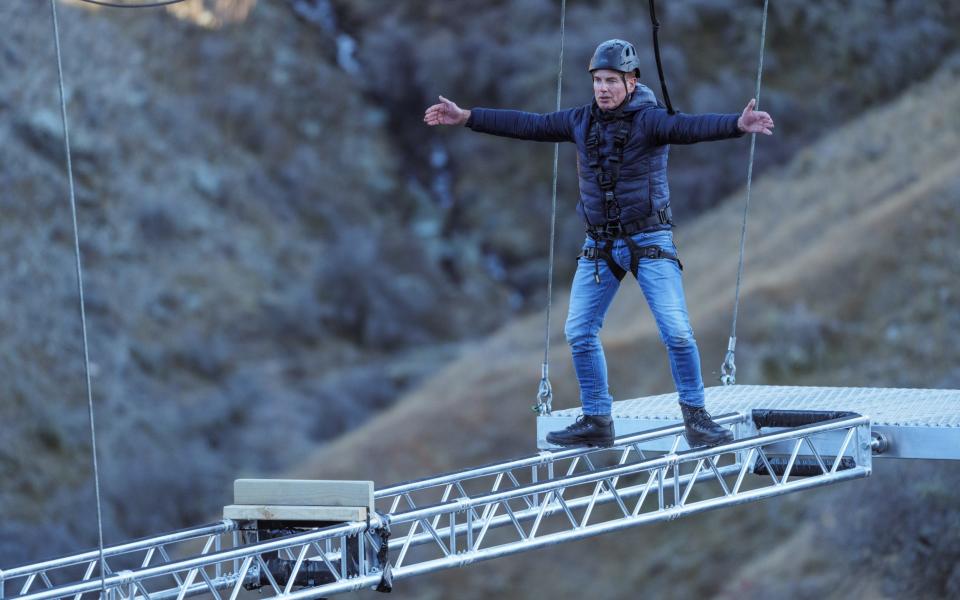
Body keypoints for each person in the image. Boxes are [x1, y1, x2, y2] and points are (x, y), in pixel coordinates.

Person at [423, 39, 774, 448]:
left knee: (677, 331)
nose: (603, 88)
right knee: (579, 331)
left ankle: (696, 418)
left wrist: (736, 124)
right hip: (600, 245)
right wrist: (466, 117)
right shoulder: (580, 121)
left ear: (631, 81)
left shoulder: (650, 120)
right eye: (597, 81)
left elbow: (688, 128)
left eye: (611, 81)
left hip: (649, 239)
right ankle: (596, 419)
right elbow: (529, 125)